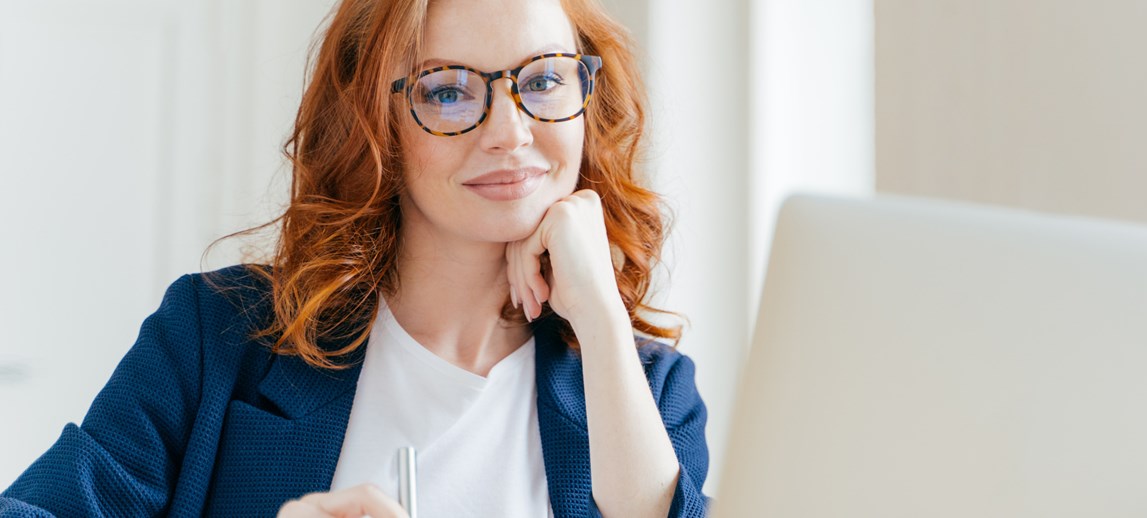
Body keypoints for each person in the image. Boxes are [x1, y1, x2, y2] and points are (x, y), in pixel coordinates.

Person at [0, 0, 710, 515]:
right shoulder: (215, 336)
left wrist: (602, 319)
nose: (509, 132)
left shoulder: (647, 387)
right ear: (374, 122)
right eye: (449, 90)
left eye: (544, 79)